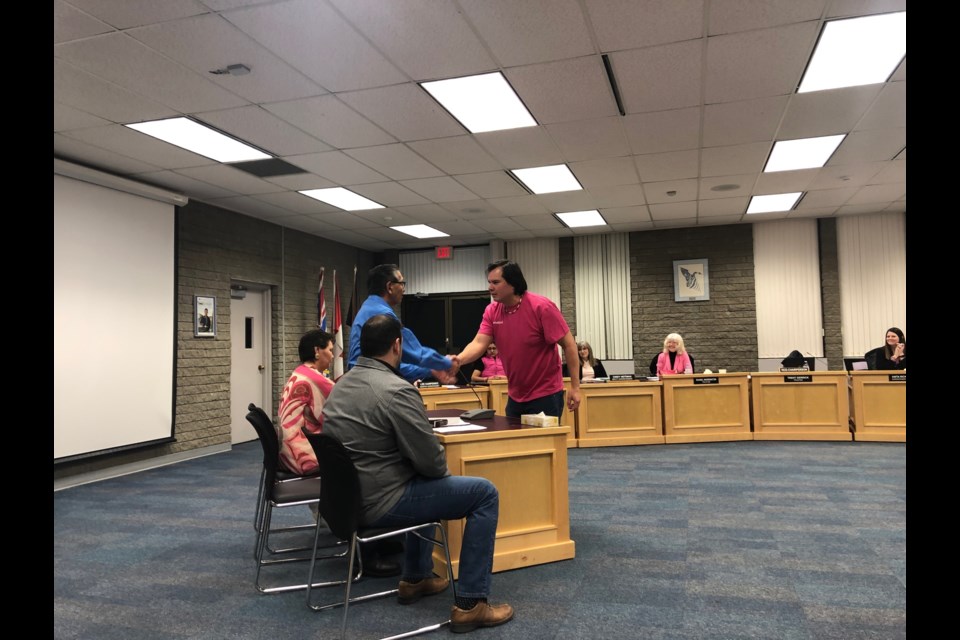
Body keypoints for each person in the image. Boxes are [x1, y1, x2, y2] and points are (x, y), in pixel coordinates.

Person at [322, 314, 514, 632]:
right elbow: (434, 464)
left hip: (343, 502)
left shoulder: (340, 386)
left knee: (423, 481)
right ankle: (471, 604)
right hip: (381, 502)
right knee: (483, 493)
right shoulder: (397, 390)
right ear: (398, 345)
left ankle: (416, 578)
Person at [279, 328, 401, 577]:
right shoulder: (314, 379)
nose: (333, 356)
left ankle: (375, 535)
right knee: (366, 467)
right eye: (330, 350)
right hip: (305, 453)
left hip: (292, 451)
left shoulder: (299, 373)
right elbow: (350, 401)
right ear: (317, 351)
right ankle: (367, 549)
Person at [456, 260, 581, 418]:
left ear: (513, 283)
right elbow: (479, 343)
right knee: (516, 442)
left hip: (546, 394)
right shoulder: (492, 311)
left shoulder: (542, 307)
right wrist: (457, 360)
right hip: (515, 396)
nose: (490, 287)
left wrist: (575, 388)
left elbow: (569, 345)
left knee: (543, 443)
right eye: (489, 282)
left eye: (496, 282)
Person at [348, 264, 458, 384]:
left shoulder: (368, 307)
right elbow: (416, 353)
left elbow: (388, 366)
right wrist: (446, 362)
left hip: (361, 379)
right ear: (390, 287)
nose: (404, 289)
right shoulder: (383, 314)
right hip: (371, 383)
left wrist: (430, 370)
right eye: (401, 283)